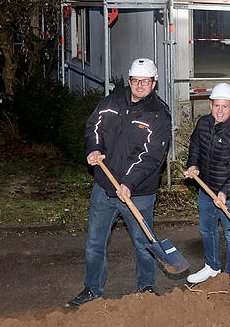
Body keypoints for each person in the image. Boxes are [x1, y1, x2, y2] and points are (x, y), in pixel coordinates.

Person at [68, 58, 171, 307]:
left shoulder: (159, 114)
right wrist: (94, 148)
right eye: (135, 80)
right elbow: (94, 126)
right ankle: (92, 289)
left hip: (138, 193)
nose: (139, 85)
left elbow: (151, 156)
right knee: (95, 242)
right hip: (104, 188)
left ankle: (146, 288)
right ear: (129, 80)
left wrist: (128, 183)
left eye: (145, 81)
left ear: (154, 83)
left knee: (144, 243)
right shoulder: (112, 102)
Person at [184, 83, 230, 282]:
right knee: (207, 229)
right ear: (211, 105)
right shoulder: (203, 123)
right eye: (216, 106)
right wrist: (193, 165)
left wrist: (224, 192)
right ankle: (212, 266)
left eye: (225, 106)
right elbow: (195, 145)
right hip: (206, 189)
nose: (220, 111)